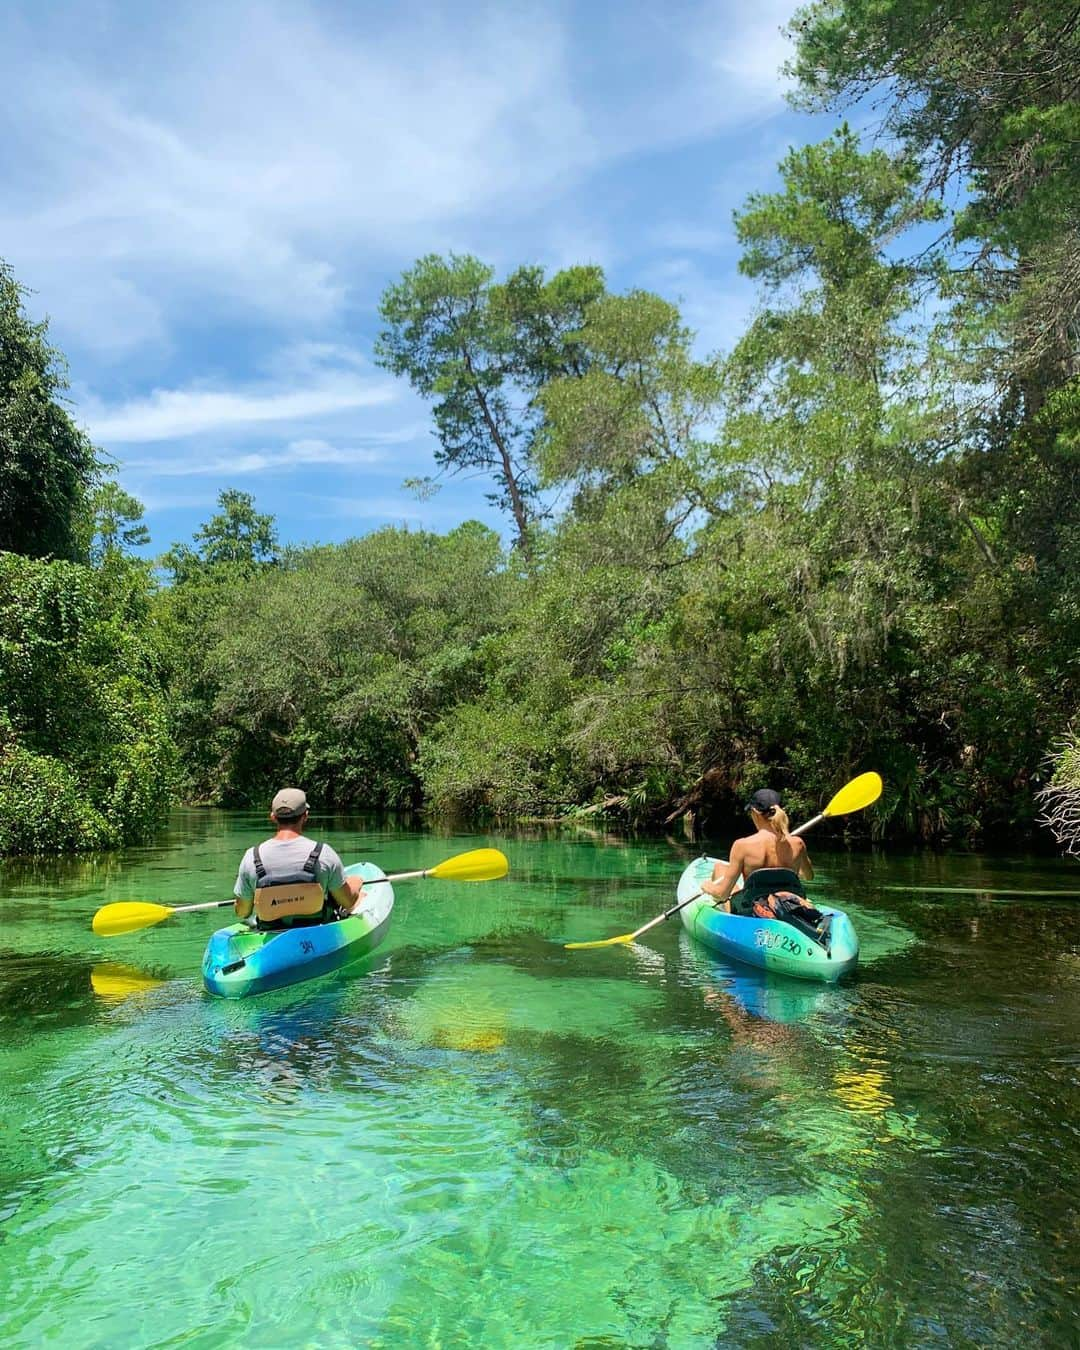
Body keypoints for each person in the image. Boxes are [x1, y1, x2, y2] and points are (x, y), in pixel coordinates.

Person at [233, 788, 365, 930]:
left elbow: (243, 912)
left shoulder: (251, 857)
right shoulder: (324, 853)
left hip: (271, 936)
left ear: (273, 817)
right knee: (358, 896)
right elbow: (347, 902)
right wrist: (356, 884)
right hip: (316, 934)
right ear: (305, 816)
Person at [700, 788, 818, 921]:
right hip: (788, 906)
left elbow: (722, 894)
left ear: (755, 813)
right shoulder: (797, 844)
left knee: (719, 869)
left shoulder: (742, 845)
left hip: (752, 911)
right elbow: (809, 876)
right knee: (719, 867)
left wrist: (707, 886)